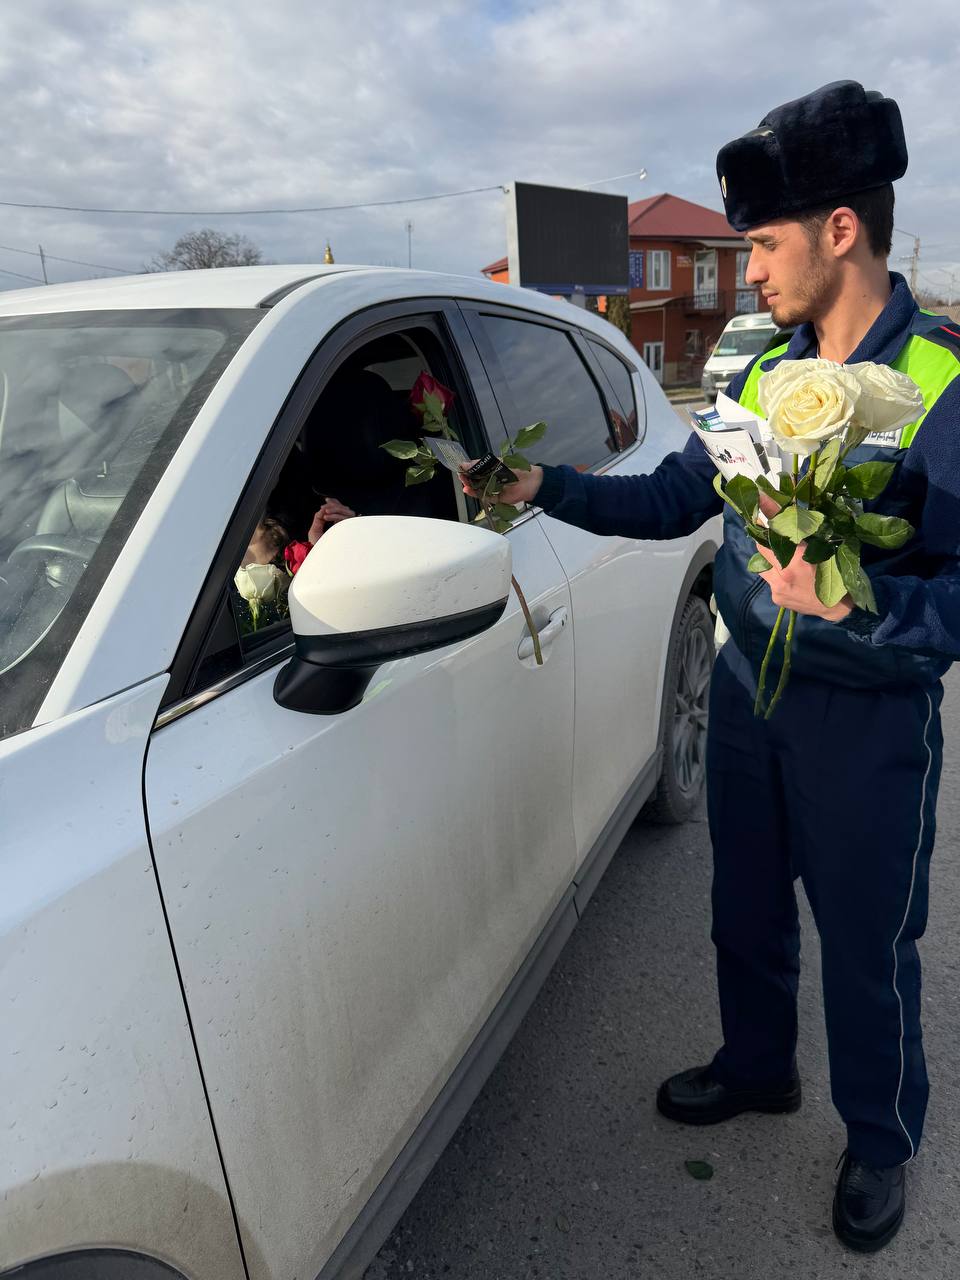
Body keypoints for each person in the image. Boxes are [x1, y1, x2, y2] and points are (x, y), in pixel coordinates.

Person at [462, 81, 960, 1252]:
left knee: (868, 945)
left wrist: (866, 598)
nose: (747, 272)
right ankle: (755, 1065)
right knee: (743, 905)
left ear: (843, 229)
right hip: (751, 695)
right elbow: (688, 494)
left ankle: (881, 1137)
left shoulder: (939, 383)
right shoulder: (755, 367)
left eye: (764, 242)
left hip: (866, 721)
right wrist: (551, 490)